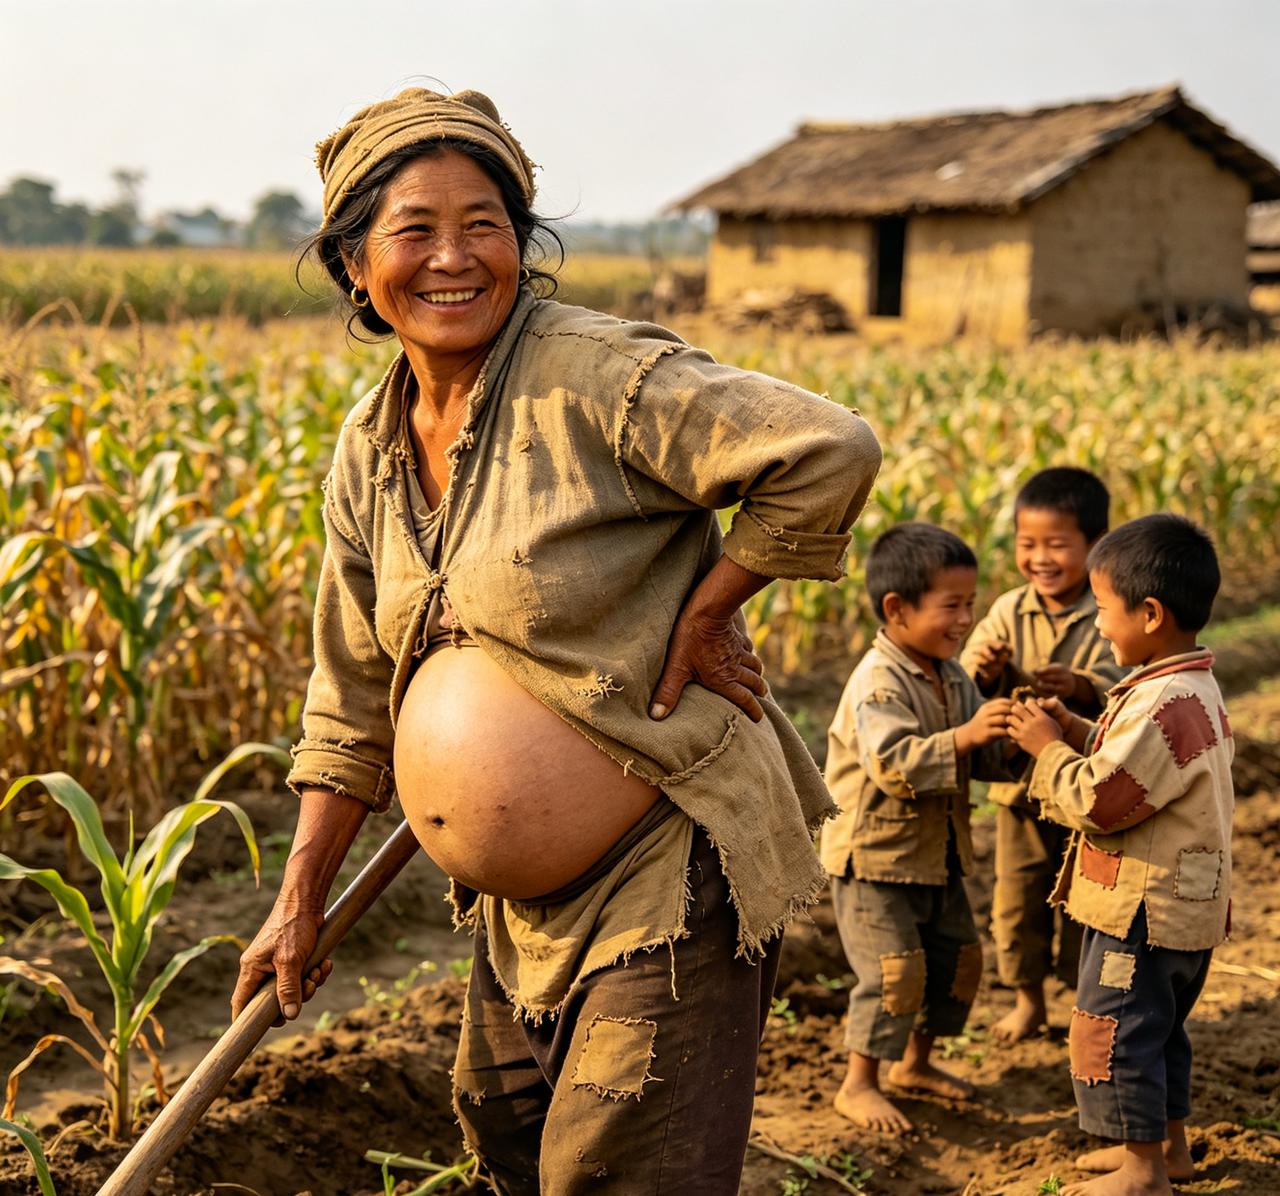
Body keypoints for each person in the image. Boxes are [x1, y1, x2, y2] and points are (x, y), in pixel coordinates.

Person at [228, 85, 882, 1193]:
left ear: (523, 247)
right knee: (508, 1141)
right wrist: (298, 898)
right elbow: (348, 694)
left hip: (665, 870)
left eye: (484, 225)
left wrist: (711, 603)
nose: (453, 258)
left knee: (613, 1170)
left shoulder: (592, 376)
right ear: (352, 265)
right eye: (413, 230)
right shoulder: (368, 448)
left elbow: (825, 448)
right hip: (514, 911)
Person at [1008, 515, 1233, 1196]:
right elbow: (1141, 772)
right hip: (1183, 907)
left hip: (1142, 908)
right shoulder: (1189, 689)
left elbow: (1103, 801)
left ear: (1152, 613)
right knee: (1160, 1030)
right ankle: (1169, 1148)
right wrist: (1076, 727)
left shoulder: (1162, 704)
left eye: (1104, 610)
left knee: (1116, 1029)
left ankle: (1141, 1172)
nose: (1100, 624)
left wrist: (1048, 749)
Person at [819, 523, 1021, 1135]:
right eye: (952, 606)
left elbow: (976, 761)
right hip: (875, 861)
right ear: (896, 609)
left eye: (971, 604)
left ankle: (916, 1065)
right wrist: (966, 735)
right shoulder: (877, 681)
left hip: (937, 855)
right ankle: (859, 1084)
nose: (966, 619)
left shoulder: (950, 674)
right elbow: (894, 764)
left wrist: (1011, 723)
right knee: (893, 971)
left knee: (956, 959)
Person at [960, 467, 1127, 1042]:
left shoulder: (1109, 608)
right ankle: (1028, 1000)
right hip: (1022, 786)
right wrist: (986, 672)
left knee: (1087, 902)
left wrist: (1082, 685)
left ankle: (1083, 999)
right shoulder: (1008, 609)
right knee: (1018, 900)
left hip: (1086, 786)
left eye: (1058, 545)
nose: (1041, 558)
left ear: (1094, 545)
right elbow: (967, 679)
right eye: (1028, 545)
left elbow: (1127, 684)